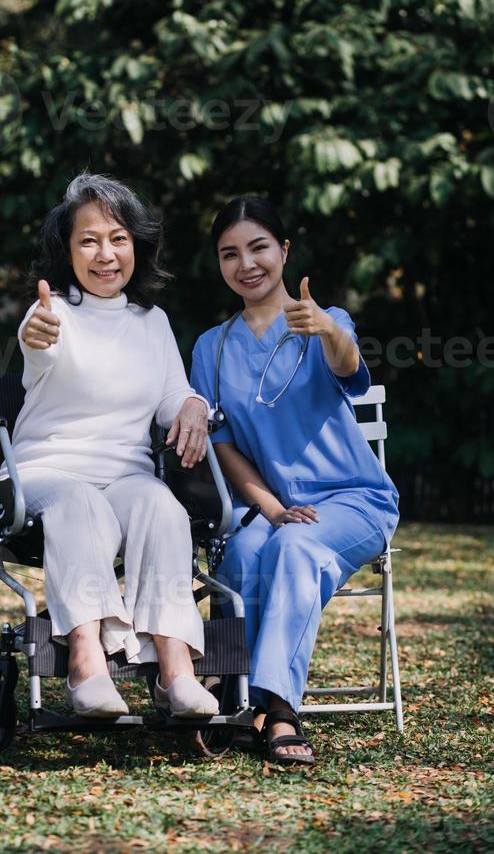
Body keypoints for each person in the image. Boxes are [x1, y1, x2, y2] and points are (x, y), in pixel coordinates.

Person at [0, 173, 219, 719]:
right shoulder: (50, 314)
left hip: (125, 476)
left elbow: (173, 394)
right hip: (47, 471)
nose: (105, 254)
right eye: (88, 240)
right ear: (66, 250)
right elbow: (37, 349)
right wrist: (36, 336)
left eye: (117, 238)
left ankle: (176, 673)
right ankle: (86, 663)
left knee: (163, 508)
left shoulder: (153, 321)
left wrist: (193, 406)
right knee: (82, 503)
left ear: (135, 247)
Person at [190, 195, 399, 765]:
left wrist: (328, 330)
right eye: (230, 254)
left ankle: (277, 709)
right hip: (273, 506)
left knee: (295, 548)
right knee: (238, 554)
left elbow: (350, 367)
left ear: (283, 251)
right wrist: (271, 506)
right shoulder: (212, 347)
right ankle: (230, 693)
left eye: (259, 247)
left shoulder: (325, 322)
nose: (246, 264)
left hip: (354, 501)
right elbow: (222, 442)